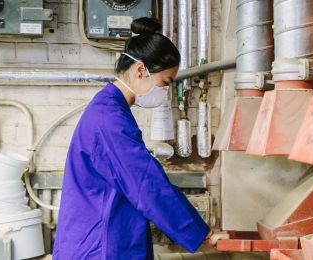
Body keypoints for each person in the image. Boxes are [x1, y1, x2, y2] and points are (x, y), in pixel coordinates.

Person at [53, 18, 210, 259]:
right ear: (140, 70)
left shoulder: (109, 108)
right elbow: (146, 183)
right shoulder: (110, 120)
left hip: (102, 236)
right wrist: (201, 234)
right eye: (165, 82)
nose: (164, 91)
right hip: (101, 245)